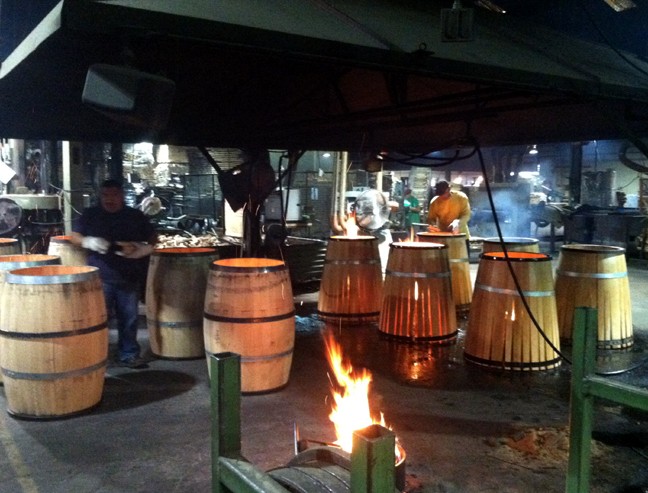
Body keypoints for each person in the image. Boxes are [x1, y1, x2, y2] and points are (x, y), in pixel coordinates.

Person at [71, 179, 157, 369]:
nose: (110, 199)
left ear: (122, 196)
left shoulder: (134, 216)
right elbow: (74, 236)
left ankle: (129, 354)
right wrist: (88, 241)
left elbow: (153, 237)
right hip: (99, 278)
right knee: (98, 320)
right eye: (105, 195)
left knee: (129, 319)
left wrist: (143, 248)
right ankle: (97, 355)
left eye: (114, 195)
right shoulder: (91, 214)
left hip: (128, 276)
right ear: (100, 196)